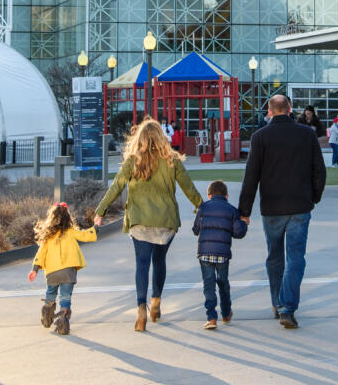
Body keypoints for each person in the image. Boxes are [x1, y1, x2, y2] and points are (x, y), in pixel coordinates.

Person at [94, 116, 203, 331]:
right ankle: (156, 303)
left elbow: (116, 187)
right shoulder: (172, 160)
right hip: (166, 221)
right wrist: (202, 207)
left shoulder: (132, 160)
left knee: (142, 264)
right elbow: (188, 188)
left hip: (139, 220)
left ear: (139, 138)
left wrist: (100, 212)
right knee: (159, 261)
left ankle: (141, 308)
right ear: (162, 138)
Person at [239, 94, 326, 329]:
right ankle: (288, 307)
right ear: (289, 109)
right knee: (296, 257)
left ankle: (278, 303)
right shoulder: (307, 134)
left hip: (272, 207)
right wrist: (313, 197)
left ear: (269, 111)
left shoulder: (260, 137)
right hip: (300, 205)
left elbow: (251, 176)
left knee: (275, 256)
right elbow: (320, 170)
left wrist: (244, 210)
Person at [28, 201, 98, 335]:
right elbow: (85, 235)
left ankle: (47, 317)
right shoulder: (71, 232)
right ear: (68, 218)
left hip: (53, 272)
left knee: (51, 294)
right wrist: (96, 228)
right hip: (68, 272)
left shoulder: (48, 236)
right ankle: (62, 325)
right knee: (65, 297)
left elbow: (41, 253)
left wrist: (34, 269)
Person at [192, 180, 247, 330]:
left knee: (208, 285)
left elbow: (196, 229)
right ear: (226, 196)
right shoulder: (232, 211)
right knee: (223, 283)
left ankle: (211, 318)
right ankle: (226, 313)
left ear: (209, 195)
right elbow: (238, 233)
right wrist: (244, 223)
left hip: (204, 254)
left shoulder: (202, 208)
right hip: (223, 254)